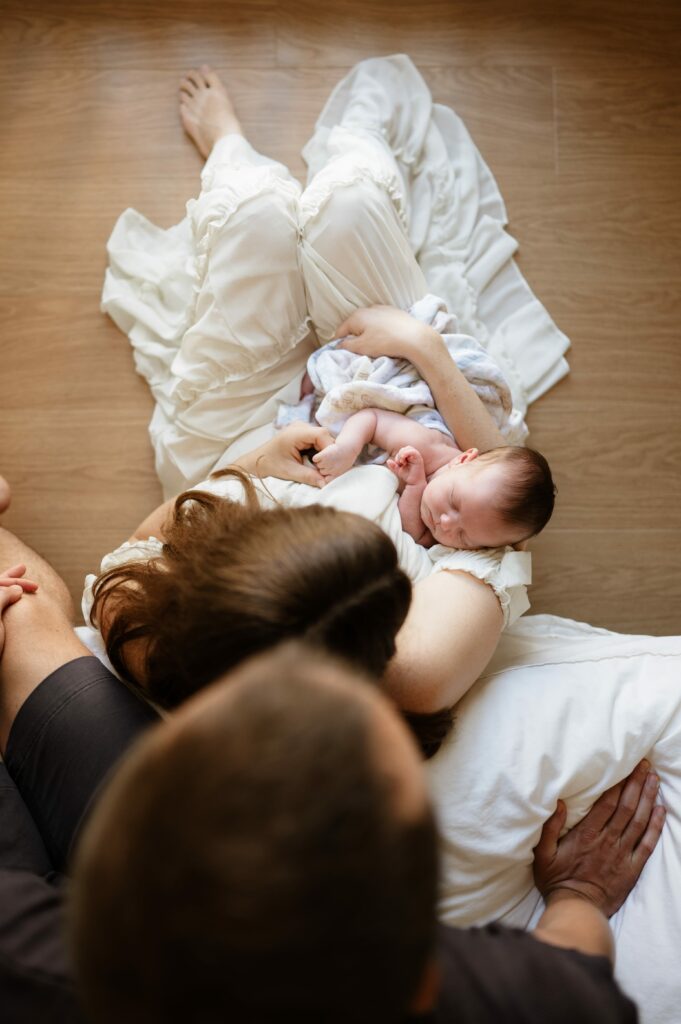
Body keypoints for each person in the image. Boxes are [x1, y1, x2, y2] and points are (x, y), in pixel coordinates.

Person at [0, 533, 661, 1022]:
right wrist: (577, 894)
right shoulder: (521, 999)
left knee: (20, 607)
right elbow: (574, 966)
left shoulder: (24, 955)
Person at [311, 405, 555, 549]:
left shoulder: (447, 533)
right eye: (454, 501)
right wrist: (347, 448)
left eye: (464, 537)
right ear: (462, 460)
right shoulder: (424, 446)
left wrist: (416, 486)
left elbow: (412, 535)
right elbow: (372, 419)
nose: (445, 524)